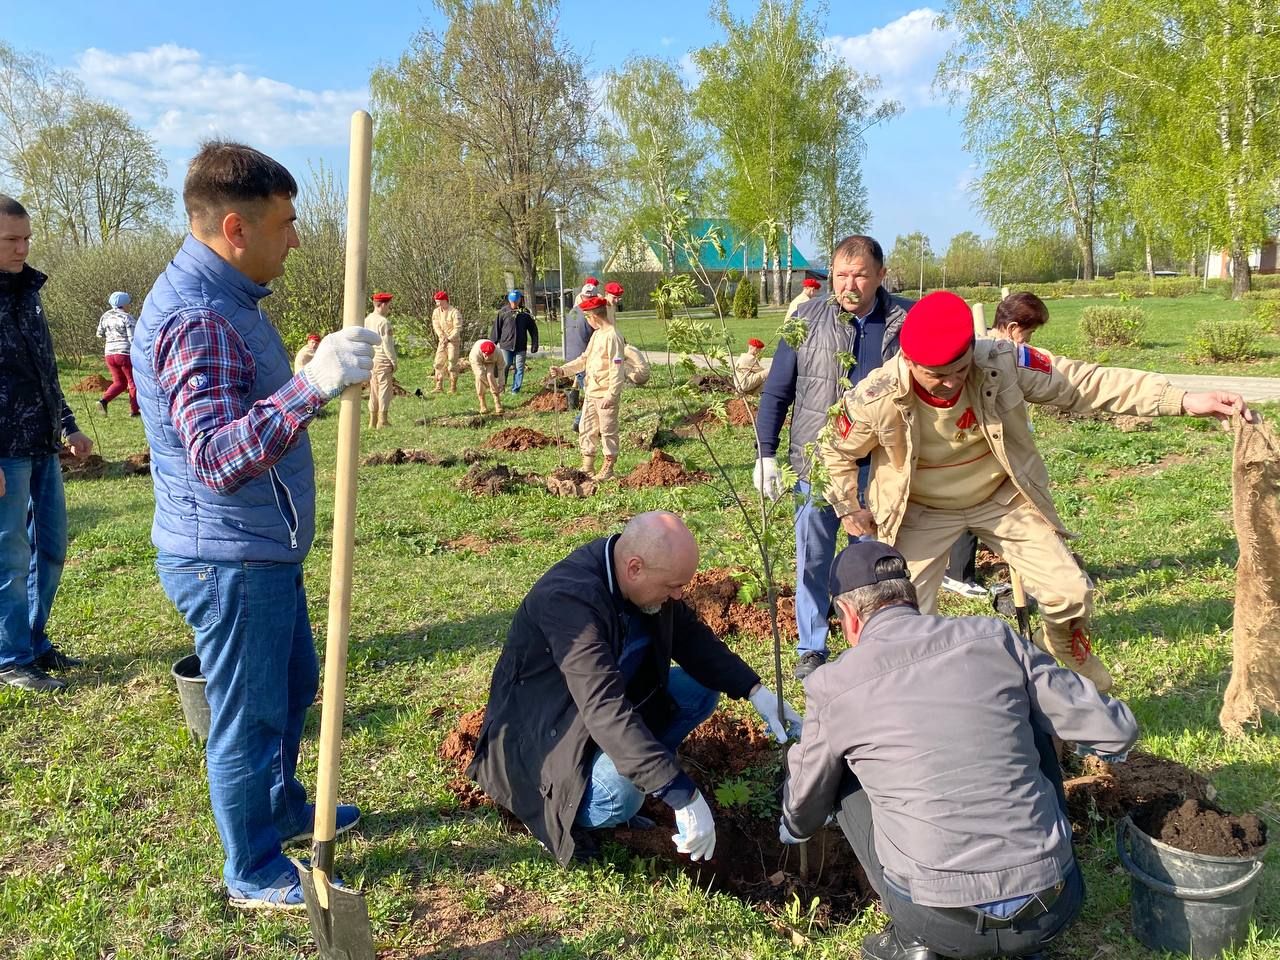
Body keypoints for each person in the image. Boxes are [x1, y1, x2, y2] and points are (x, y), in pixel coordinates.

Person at [132, 142, 378, 910]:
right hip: (228, 557)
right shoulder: (199, 316)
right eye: (286, 223)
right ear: (235, 228)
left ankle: (279, 808)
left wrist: (300, 372)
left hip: (258, 547)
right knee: (248, 716)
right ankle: (252, 868)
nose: (297, 238)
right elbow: (214, 454)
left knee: (292, 683)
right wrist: (311, 386)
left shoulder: (228, 301)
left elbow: (233, 406)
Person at [819, 290, 1255, 693]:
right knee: (902, 619)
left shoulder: (1002, 360)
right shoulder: (874, 395)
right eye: (936, 376)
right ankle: (911, 699)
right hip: (921, 508)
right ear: (910, 362)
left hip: (1001, 498)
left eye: (958, 370)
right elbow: (832, 448)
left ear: (973, 350)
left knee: (1070, 593)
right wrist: (846, 505)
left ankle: (1062, 657)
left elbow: (1085, 383)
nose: (950, 384)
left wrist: (1183, 399)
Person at [781, 540, 1138, 960]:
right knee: (1034, 721)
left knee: (837, 770)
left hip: (936, 919)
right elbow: (1116, 732)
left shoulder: (834, 684)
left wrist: (794, 825)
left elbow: (803, 809)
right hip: (1051, 904)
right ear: (909, 598)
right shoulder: (993, 637)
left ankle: (912, 944)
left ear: (848, 616)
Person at [469, 510, 801, 866]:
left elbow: (690, 637)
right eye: (673, 586)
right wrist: (682, 795)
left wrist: (755, 690)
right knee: (621, 794)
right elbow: (604, 709)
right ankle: (580, 802)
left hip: (596, 712)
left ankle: (642, 766)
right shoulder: (570, 603)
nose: (679, 596)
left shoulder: (641, 582)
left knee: (699, 691)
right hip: (547, 741)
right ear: (635, 568)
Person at [753, 235, 910, 680]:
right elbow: (777, 390)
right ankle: (812, 644)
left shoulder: (905, 320)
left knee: (878, 560)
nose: (849, 284)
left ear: (881, 275)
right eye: (841, 275)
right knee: (813, 557)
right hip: (815, 463)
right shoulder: (805, 317)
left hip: (881, 466)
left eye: (860, 274)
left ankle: (879, 640)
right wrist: (766, 452)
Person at [0, 194, 92, 692]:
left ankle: (33, 643)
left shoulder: (27, 292)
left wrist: (69, 425)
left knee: (50, 548)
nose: (23, 248)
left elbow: (46, 370)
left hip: (40, 444)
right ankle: (9, 657)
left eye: (26, 238)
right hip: (3, 453)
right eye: (11, 240)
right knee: (8, 558)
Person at [943, 293, 1052, 599]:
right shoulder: (984, 351)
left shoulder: (1012, 354)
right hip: (986, 444)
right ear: (1014, 326)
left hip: (1006, 441)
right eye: (1028, 334)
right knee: (975, 504)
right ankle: (958, 574)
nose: (1028, 340)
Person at [549, 295, 626, 481]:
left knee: (608, 431)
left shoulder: (613, 337)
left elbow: (617, 368)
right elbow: (584, 360)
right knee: (586, 428)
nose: (587, 320)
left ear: (594, 316)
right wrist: (562, 370)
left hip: (605, 394)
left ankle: (608, 468)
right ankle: (588, 466)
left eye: (587, 317)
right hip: (591, 392)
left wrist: (611, 394)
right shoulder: (597, 335)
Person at [96, 291, 139, 416]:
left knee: (119, 383)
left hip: (109, 354)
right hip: (125, 353)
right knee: (132, 382)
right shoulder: (127, 317)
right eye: (128, 303)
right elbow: (133, 338)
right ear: (124, 304)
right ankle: (134, 410)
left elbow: (99, 334)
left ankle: (103, 401)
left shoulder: (105, 316)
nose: (129, 306)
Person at [563, 278, 599, 425]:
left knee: (584, 386)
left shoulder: (572, 312)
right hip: (584, 358)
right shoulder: (589, 315)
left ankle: (573, 401)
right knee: (593, 393)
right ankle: (579, 421)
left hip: (571, 356)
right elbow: (592, 337)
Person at [491, 290, 538, 393]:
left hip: (521, 346)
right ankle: (502, 387)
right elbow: (496, 328)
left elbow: (533, 328)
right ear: (509, 300)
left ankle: (515, 390)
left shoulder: (525, 313)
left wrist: (535, 343)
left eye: (516, 302)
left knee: (519, 368)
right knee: (505, 366)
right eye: (512, 302)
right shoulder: (503, 312)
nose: (514, 304)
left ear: (520, 300)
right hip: (506, 345)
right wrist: (492, 343)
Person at [365, 291, 398, 428]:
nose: (389, 308)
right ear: (382, 305)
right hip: (383, 359)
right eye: (388, 305)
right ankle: (382, 420)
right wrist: (394, 361)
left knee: (373, 390)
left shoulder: (367, 319)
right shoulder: (384, 322)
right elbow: (387, 345)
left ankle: (372, 421)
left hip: (372, 358)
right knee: (384, 390)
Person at [431, 290, 462, 393]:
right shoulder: (436, 312)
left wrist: (449, 338)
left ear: (444, 300)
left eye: (438, 301)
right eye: (436, 301)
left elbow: (457, 328)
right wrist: (441, 336)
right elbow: (436, 325)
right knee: (438, 363)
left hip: (453, 341)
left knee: (452, 363)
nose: (437, 303)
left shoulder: (454, 312)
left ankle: (453, 388)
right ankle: (439, 386)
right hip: (442, 340)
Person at [468, 338, 506, 415]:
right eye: (485, 354)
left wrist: (501, 383)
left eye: (489, 355)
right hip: (478, 360)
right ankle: (482, 403)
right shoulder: (475, 353)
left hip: (492, 361)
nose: (487, 357)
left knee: (490, 375)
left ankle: (497, 402)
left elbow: (501, 369)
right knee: (479, 378)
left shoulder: (498, 353)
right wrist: (488, 385)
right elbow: (480, 373)